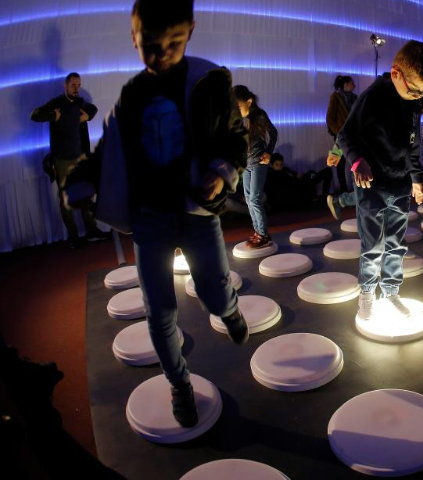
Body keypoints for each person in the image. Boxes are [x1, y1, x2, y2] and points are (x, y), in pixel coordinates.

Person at [65, 0, 250, 428]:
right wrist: (80, 180)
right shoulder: (131, 96)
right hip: (149, 218)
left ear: (191, 32)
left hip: (198, 214)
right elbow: (107, 149)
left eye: (174, 42)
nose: (161, 52)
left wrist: (222, 173)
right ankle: (179, 385)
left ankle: (229, 309)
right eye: (150, 44)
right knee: (159, 309)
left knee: (215, 291)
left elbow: (234, 136)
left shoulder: (209, 80)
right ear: (133, 37)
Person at [337, 40, 423, 320]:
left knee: (396, 244)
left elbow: (411, 145)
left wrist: (417, 178)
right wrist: (357, 161)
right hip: (372, 186)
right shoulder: (373, 96)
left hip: (400, 184)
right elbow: (345, 135)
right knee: (372, 245)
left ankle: (391, 291)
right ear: (396, 74)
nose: (420, 96)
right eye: (416, 89)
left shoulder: (413, 102)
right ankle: (367, 292)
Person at [31, 72, 108, 248]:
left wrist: (87, 116)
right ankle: (73, 237)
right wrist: (53, 116)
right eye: (73, 85)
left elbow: (93, 109)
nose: (76, 88)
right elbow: (35, 115)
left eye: (78, 85)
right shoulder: (57, 103)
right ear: (65, 86)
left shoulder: (79, 103)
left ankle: (91, 231)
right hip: (62, 160)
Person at [234, 84, 277, 248]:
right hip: (246, 165)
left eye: (238, 106)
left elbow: (273, 133)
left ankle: (264, 234)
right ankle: (258, 231)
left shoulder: (259, 115)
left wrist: (269, 152)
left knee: (254, 199)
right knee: (249, 200)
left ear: (249, 101)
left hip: (259, 162)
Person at [326, 75, 358, 193]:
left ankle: (354, 188)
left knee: (354, 159)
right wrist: (338, 132)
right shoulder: (336, 97)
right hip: (340, 134)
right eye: (351, 83)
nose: (354, 85)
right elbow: (330, 118)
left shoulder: (355, 98)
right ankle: (343, 188)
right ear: (345, 84)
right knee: (340, 161)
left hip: (353, 134)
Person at [266, 153, 332, 210]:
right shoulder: (271, 175)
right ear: (272, 165)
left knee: (320, 172)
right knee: (311, 177)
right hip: (298, 190)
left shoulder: (285, 169)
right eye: (277, 165)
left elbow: (294, 174)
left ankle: (325, 195)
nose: (279, 167)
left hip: (302, 182)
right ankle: (317, 200)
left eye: (281, 164)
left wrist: (298, 176)